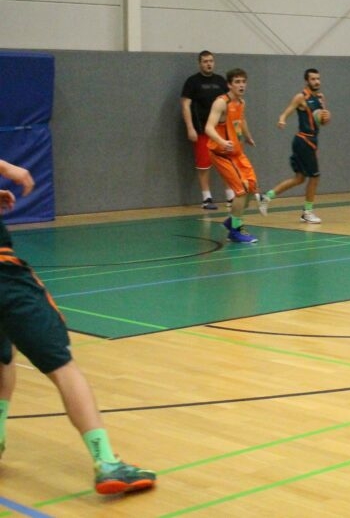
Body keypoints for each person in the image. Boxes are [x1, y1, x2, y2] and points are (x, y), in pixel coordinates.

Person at [0, 159, 156, 495]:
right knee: (63, 368)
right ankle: (106, 462)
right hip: (5, 279)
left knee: (3, 353)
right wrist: (8, 168)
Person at [259, 69, 329, 224]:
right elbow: (286, 112)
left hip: (311, 140)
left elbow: (322, 121)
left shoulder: (320, 98)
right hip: (304, 140)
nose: (316, 81)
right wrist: (282, 119)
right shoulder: (301, 97)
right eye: (313, 79)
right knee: (315, 176)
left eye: (318, 78)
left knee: (299, 178)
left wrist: (327, 117)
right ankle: (307, 212)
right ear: (307, 81)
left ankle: (267, 196)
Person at [205, 68, 263, 244]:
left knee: (252, 188)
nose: (241, 85)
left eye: (243, 81)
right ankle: (235, 231)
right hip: (221, 153)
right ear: (229, 85)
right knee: (241, 191)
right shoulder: (221, 103)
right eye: (237, 82)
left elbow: (241, 120)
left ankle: (232, 220)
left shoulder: (241, 102)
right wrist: (221, 141)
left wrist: (248, 136)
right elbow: (208, 128)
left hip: (237, 152)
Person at [180, 50, 231, 210]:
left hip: (220, 130)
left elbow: (229, 105)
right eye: (205, 61)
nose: (208, 64)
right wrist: (190, 128)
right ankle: (206, 198)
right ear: (200, 63)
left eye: (211, 61)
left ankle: (230, 195)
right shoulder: (192, 82)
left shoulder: (220, 81)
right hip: (201, 129)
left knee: (225, 162)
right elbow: (185, 105)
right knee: (204, 164)